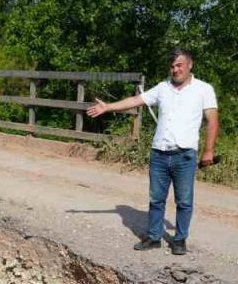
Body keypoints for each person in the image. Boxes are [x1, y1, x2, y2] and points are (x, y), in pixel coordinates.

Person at [87, 48, 219, 255]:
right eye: (172, 66)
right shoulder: (162, 87)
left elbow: (212, 120)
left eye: (179, 65)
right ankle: (154, 237)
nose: (175, 70)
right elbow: (135, 100)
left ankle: (180, 239)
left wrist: (208, 151)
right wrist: (108, 107)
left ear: (190, 65)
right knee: (156, 198)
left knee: (184, 201)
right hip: (159, 154)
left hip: (184, 155)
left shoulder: (203, 89)